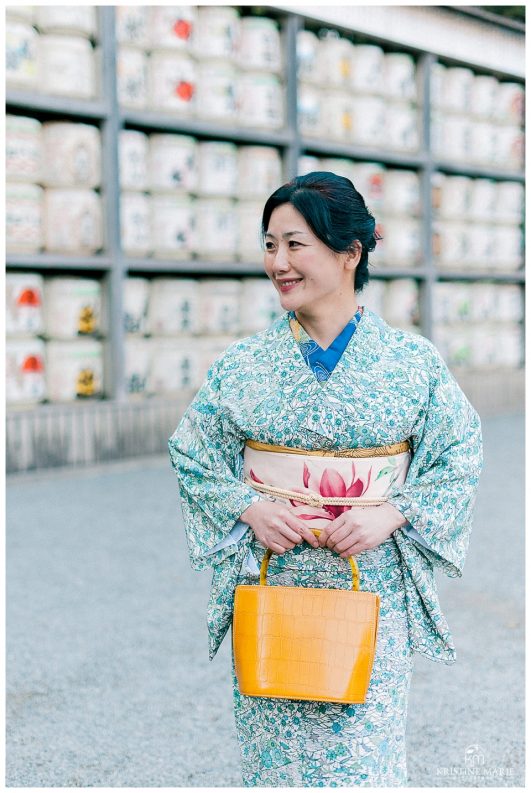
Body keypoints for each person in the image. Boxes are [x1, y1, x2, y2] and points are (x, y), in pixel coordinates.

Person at [168, 171, 483, 786]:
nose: (278, 262)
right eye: (269, 245)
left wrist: (394, 511)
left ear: (349, 253)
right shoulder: (244, 363)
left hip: (370, 583)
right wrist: (246, 506)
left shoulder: (411, 361)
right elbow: (192, 451)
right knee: (274, 758)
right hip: (272, 577)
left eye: (295, 244)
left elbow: (460, 450)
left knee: (364, 755)